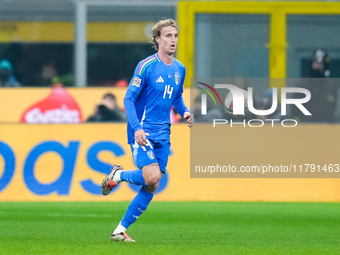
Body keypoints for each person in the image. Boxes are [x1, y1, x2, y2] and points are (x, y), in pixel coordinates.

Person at [101, 18, 194, 242]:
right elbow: (128, 99)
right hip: (143, 132)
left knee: (152, 184)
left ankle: (119, 230)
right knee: (151, 176)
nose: (173, 40)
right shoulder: (146, 66)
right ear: (157, 39)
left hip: (164, 133)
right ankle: (119, 175)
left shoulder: (179, 69)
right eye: (168, 36)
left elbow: (176, 97)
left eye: (175, 36)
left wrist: (185, 112)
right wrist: (137, 128)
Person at [292, 48, 337, 123]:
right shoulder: (302, 85)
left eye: (321, 63)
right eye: (316, 62)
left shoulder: (331, 86)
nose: (318, 66)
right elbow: (294, 111)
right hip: (307, 127)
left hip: (327, 127)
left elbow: (334, 109)